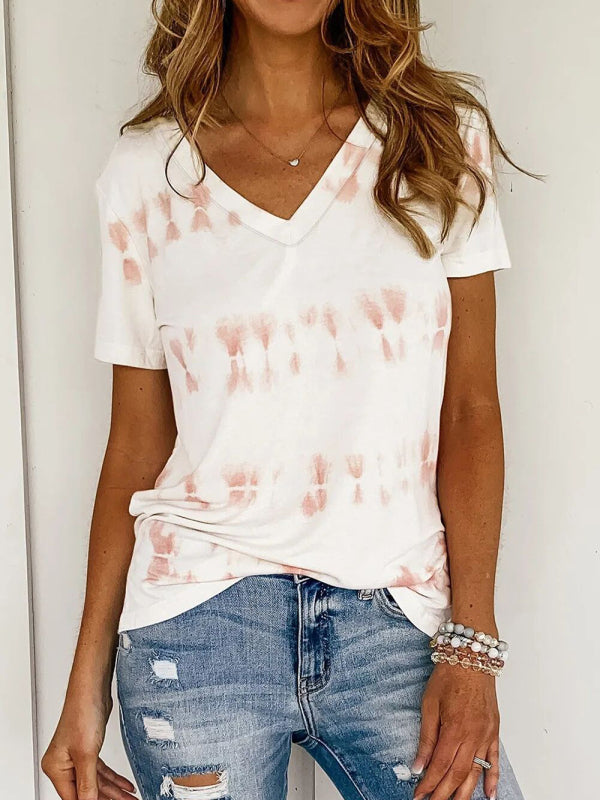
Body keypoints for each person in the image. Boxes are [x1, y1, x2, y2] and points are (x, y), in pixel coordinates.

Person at [41, 1, 528, 799]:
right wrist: (84, 689)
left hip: (397, 618)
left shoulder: (437, 141)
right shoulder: (147, 171)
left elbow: (471, 409)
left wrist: (472, 647)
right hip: (196, 626)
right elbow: (134, 445)